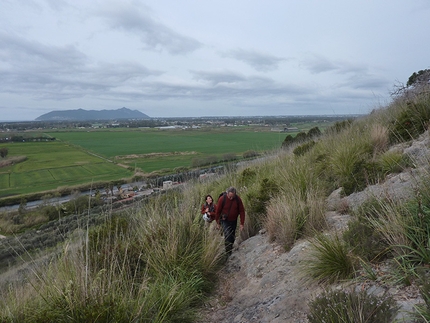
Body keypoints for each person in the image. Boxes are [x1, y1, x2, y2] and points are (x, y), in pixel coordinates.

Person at [215, 187, 245, 256]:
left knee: (232, 237)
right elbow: (218, 211)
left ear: (235, 195)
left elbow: (242, 211)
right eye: (230, 196)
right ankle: (228, 253)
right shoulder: (222, 199)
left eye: (233, 197)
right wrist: (218, 223)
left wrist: (242, 223)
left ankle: (230, 249)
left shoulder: (238, 199)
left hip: (234, 220)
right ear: (227, 194)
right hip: (225, 221)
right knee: (227, 234)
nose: (231, 198)